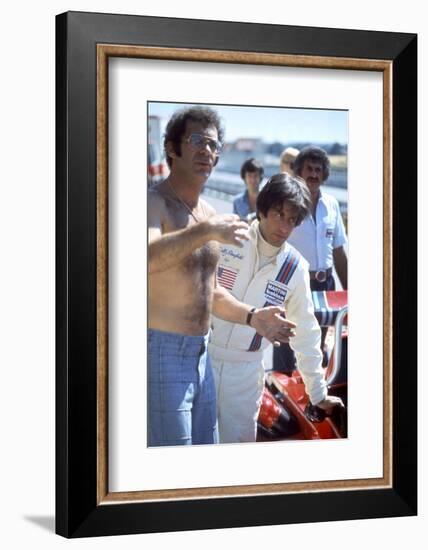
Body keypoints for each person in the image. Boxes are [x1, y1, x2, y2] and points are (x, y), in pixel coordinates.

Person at [148, 106, 295, 447]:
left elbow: (211, 293)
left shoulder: (210, 214)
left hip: (203, 355)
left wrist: (252, 316)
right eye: (197, 140)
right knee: (175, 469)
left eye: (213, 145)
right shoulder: (153, 201)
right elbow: (144, 259)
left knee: (207, 455)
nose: (207, 151)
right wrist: (206, 232)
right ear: (172, 147)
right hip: (162, 351)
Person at [209, 173, 344, 443]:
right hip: (200, 361)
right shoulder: (227, 239)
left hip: (245, 374)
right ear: (262, 209)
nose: (284, 227)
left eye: (292, 220)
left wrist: (317, 393)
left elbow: (306, 333)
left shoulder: (295, 268)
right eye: (279, 214)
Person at [287, 146, 348, 362]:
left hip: (325, 288)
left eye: (318, 170)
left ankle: (315, 393)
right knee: (289, 344)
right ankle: (283, 385)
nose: (313, 174)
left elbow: (339, 250)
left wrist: (350, 290)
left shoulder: (331, 205)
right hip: (294, 285)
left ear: (324, 174)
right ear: (299, 172)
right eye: (309, 169)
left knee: (317, 349)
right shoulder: (288, 203)